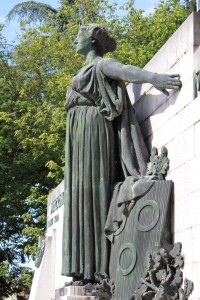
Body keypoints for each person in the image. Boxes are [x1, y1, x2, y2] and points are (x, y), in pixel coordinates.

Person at [61, 24, 181, 281]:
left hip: (94, 133)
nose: (75, 40)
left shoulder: (101, 65)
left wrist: (154, 78)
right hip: (78, 140)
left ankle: (98, 271)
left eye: (78, 35)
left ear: (92, 40)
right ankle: (82, 270)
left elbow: (126, 71)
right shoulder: (83, 69)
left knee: (94, 196)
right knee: (80, 198)